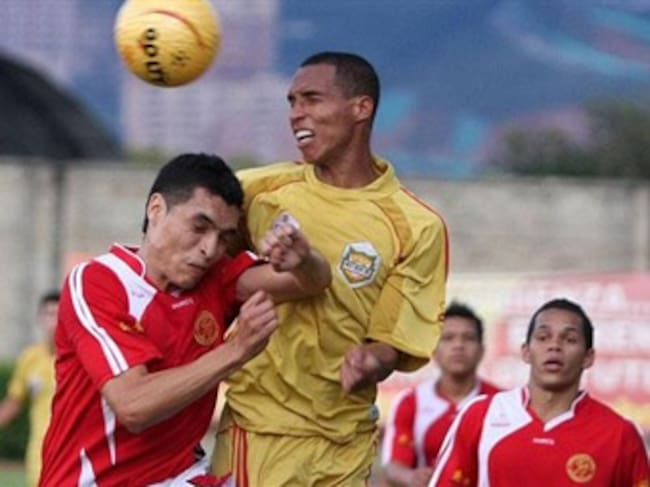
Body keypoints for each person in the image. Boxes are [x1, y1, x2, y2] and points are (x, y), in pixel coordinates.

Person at [211, 51, 449, 486]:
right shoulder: (256, 191)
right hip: (260, 430)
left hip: (345, 441)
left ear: (361, 108)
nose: (296, 114)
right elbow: (195, 264)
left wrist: (370, 361)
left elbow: (392, 341)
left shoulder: (417, 226)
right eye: (292, 102)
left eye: (311, 99)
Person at [38, 153, 332, 487]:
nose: (210, 248)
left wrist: (304, 260)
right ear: (156, 209)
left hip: (180, 476)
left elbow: (312, 283)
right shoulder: (98, 281)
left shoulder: (215, 279)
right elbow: (133, 406)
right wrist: (236, 350)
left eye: (224, 237)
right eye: (199, 227)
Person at [429, 298, 650, 487]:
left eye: (569, 339)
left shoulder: (619, 434)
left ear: (588, 357)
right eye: (543, 337)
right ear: (526, 351)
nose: (555, 346)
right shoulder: (481, 415)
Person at [381, 302, 500, 487]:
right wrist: (412, 478)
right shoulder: (411, 402)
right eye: (448, 338)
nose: (458, 345)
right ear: (434, 350)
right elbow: (393, 466)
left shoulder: (502, 403)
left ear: (481, 350)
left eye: (468, 338)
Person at [0, 291, 59, 487]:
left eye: (58, 314)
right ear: (40, 318)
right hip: (38, 453)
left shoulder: (78, 358)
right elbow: (14, 402)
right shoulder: (31, 358)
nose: (53, 321)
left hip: (70, 449)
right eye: (49, 314)